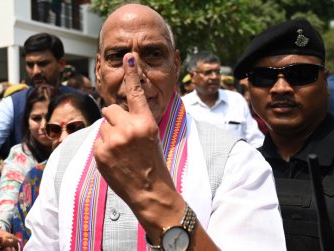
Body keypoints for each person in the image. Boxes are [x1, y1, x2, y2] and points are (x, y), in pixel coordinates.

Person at [24, 3, 285, 251]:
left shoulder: (236, 162)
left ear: (176, 64)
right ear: (99, 69)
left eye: (153, 55)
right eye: (117, 57)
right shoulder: (65, 156)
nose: (134, 75)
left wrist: (153, 196)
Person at [234, 19, 334, 251]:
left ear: (325, 82)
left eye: (299, 74)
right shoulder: (240, 168)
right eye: (264, 77)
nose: (281, 88)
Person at [0, 33, 77, 183]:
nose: (36, 71)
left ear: (61, 63)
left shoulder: (82, 102)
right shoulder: (11, 104)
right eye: (30, 65)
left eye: (43, 64)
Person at [12, 92, 101, 249]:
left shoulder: (113, 172)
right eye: (54, 129)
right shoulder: (36, 178)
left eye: (75, 128)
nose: (63, 138)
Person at [0, 85, 54, 251]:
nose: (43, 126)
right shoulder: (21, 156)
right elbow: (7, 200)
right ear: (26, 121)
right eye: (36, 118)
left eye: (50, 118)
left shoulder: (85, 151)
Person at [182, 51, 265, 147]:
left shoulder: (236, 100)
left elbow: (254, 139)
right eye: (208, 72)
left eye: (217, 72)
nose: (214, 77)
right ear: (192, 76)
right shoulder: (183, 106)